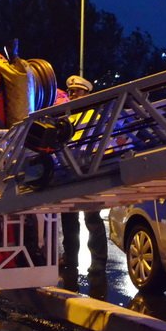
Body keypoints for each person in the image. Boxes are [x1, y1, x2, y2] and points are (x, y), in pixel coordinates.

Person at [56, 74, 108, 273]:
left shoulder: (93, 114)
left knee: (92, 219)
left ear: (86, 92)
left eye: (76, 91)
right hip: (68, 172)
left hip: (89, 172)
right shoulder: (67, 115)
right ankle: (70, 259)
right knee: (69, 219)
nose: (72, 94)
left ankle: (98, 262)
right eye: (70, 92)